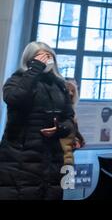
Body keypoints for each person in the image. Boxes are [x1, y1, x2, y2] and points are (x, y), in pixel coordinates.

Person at [0, 42, 75, 200]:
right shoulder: (16, 80)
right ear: (30, 59)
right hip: (19, 159)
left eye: (48, 57)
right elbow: (14, 99)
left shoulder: (59, 85)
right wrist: (34, 70)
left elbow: (69, 118)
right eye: (40, 57)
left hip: (52, 158)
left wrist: (59, 128)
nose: (45, 61)